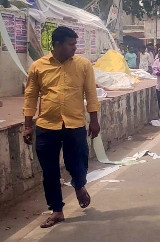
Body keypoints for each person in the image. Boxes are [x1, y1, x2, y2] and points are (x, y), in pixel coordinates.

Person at [23, 26, 100, 228]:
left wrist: (94, 119)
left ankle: (79, 184)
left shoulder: (83, 65)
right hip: (47, 125)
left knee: (79, 162)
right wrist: (27, 125)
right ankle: (57, 210)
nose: (75, 48)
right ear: (57, 45)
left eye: (75, 44)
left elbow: (91, 93)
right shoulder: (38, 67)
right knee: (49, 171)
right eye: (71, 44)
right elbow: (30, 96)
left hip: (74, 123)